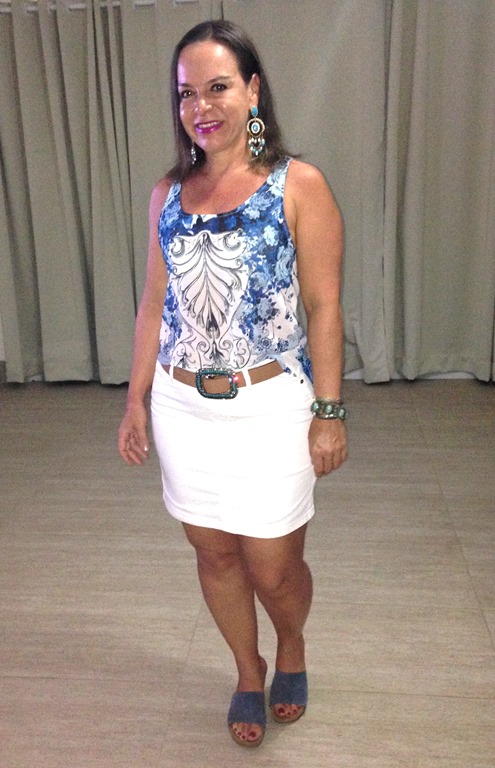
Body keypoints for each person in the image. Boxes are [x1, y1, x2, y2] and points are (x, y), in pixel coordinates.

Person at [118, 19, 347, 748]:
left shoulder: (298, 185)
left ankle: (292, 645)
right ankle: (248, 671)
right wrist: (135, 399)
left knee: (274, 567)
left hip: (271, 404)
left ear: (251, 90)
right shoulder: (167, 193)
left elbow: (324, 306)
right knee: (214, 553)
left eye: (217, 87)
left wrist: (329, 411)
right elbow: (154, 303)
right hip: (182, 403)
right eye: (187, 93)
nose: (201, 106)